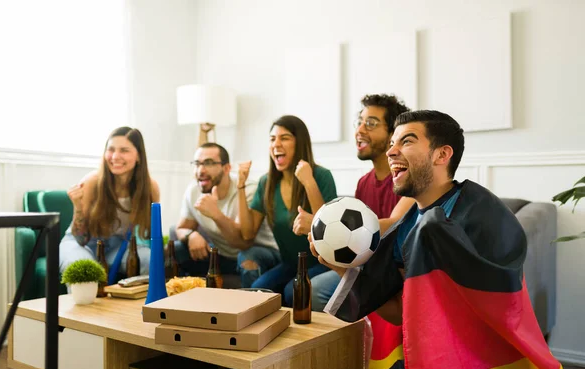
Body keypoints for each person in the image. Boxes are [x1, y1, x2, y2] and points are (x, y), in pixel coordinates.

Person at [313, 110, 563, 369]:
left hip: (481, 366)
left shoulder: (483, 215)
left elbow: (495, 310)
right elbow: (402, 315)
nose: (392, 151)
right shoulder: (408, 226)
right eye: (392, 143)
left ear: (442, 155)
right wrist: (342, 268)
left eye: (406, 141)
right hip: (427, 360)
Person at [289, 94, 415, 316]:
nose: (359, 130)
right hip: (364, 264)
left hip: (394, 272)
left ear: (392, 135)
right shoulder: (364, 182)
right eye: (359, 122)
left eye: (371, 123)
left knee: (317, 290)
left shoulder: (409, 179)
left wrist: (320, 222)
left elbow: (394, 224)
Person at [238, 115, 337, 297]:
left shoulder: (322, 175)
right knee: (258, 291)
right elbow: (247, 233)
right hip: (290, 263)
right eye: (272, 139)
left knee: (292, 292)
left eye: (284, 138)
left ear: (299, 143)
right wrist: (240, 186)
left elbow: (328, 231)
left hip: (322, 262)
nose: (276, 144)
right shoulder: (266, 182)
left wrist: (308, 182)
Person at [60, 127, 160, 285]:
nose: (115, 156)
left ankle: (140, 309)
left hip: (117, 246)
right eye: (111, 149)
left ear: (139, 156)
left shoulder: (150, 188)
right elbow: (80, 238)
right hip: (82, 243)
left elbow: (150, 235)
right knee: (85, 270)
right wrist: (78, 207)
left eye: (124, 150)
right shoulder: (92, 182)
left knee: (150, 261)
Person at [174, 142, 279, 283]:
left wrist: (216, 214)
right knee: (177, 249)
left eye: (209, 163)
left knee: (248, 256)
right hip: (222, 256)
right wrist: (191, 235)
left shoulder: (248, 189)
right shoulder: (193, 190)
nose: (201, 170)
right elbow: (181, 228)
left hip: (261, 252)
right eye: (197, 164)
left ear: (227, 168)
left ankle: (251, 304)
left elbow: (243, 243)